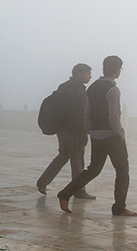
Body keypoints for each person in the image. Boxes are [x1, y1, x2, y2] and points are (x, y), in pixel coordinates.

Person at [57, 55, 137, 216]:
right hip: (111, 136)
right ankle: (119, 208)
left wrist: (91, 130)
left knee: (93, 169)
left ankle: (65, 194)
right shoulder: (113, 89)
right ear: (117, 70)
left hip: (96, 135)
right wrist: (120, 133)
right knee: (122, 170)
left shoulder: (92, 87)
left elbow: (87, 112)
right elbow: (113, 116)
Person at [36, 63, 96, 200]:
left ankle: (43, 181)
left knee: (63, 156)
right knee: (77, 161)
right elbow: (78, 115)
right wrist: (83, 134)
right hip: (73, 131)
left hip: (62, 129)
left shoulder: (65, 86)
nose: (90, 76)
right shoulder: (77, 90)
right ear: (79, 74)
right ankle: (79, 190)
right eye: (87, 74)